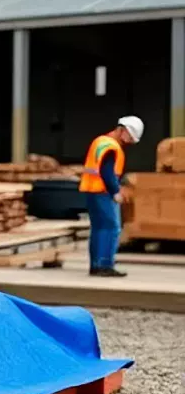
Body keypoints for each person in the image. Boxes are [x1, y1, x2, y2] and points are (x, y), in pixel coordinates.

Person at [79, 115, 144, 277]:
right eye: (129, 137)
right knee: (111, 228)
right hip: (103, 192)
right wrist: (115, 192)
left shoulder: (100, 141)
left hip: (92, 190)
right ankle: (105, 265)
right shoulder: (111, 146)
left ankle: (96, 265)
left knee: (99, 228)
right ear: (122, 130)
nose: (129, 142)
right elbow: (107, 172)